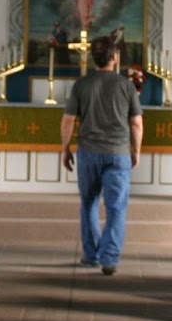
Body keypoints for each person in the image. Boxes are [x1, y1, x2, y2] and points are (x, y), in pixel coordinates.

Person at [60, 34, 143, 275]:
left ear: (93, 58)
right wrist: (135, 151)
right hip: (118, 153)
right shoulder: (127, 86)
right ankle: (109, 258)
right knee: (116, 207)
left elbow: (68, 121)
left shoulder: (81, 85)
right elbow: (136, 124)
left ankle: (91, 255)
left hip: (88, 152)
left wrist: (65, 148)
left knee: (88, 203)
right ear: (115, 58)